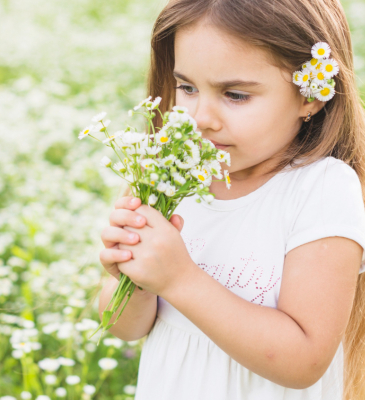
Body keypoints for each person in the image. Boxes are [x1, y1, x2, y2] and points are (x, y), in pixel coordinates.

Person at [98, 0, 365, 399]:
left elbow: (304, 361)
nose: (201, 116)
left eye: (235, 95)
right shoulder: (167, 176)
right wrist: (133, 280)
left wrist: (180, 279)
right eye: (186, 87)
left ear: (311, 96)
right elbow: (124, 327)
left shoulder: (320, 189)